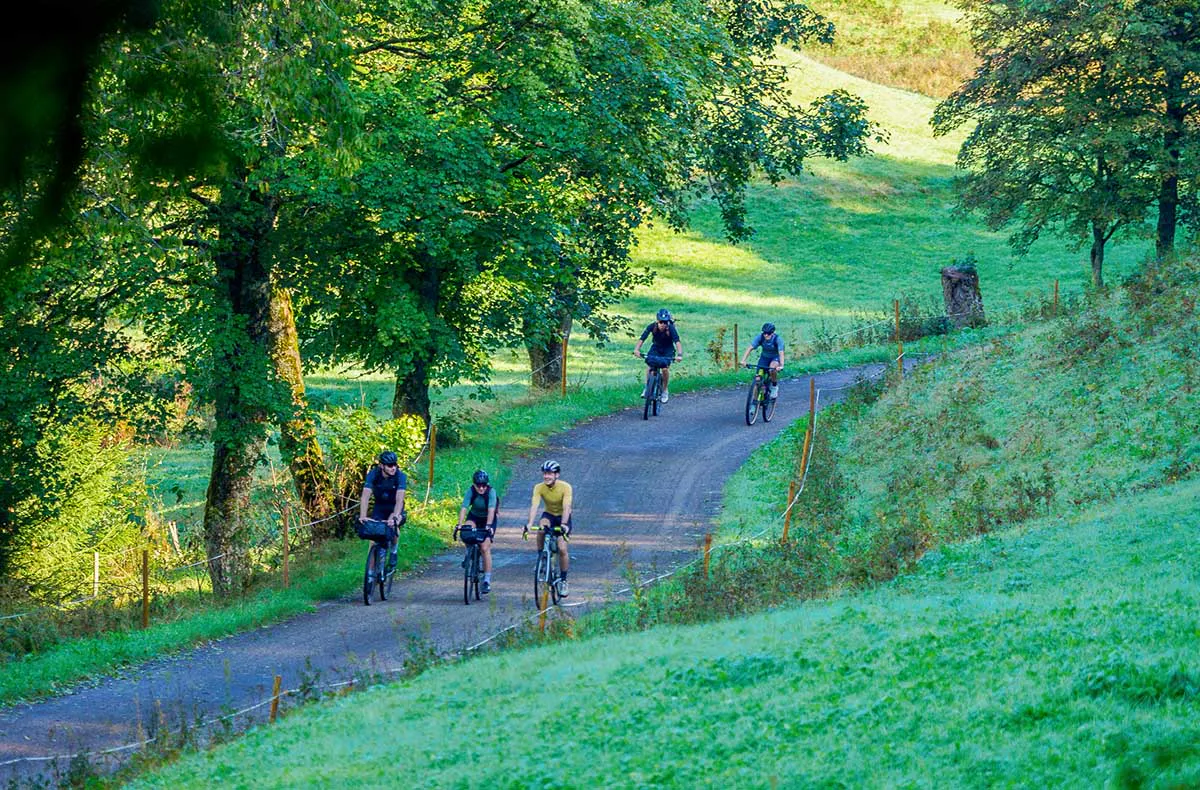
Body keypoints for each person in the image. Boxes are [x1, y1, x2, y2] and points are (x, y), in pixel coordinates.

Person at [523, 459, 573, 598]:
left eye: (550, 473)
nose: (546, 476)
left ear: (557, 475)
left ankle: (563, 580)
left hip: (563, 516)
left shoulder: (566, 487)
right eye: (545, 473)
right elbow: (534, 505)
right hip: (549, 514)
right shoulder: (539, 487)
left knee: (562, 548)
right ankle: (542, 558)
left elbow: (566, 506)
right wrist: (529, 523)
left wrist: (563, 525)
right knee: (541, 528)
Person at [359, 450, 407, 570]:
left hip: (394, 506)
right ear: (381, 466)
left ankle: (394, 551)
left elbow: (400, 499)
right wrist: (362, 516)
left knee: (392, 525)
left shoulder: (400, 476)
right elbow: (365, 496)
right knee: (373, 539)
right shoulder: (373, 475)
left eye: (395, 464)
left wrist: (396, 516)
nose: (393, 468)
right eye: (390, 465)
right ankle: (370, 574)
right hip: (380, 506)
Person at [457, 469, 499, 594]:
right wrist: (459, 524)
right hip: (474, 517)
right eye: (478, 485)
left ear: (487, 484)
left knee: (485, 548)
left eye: (483, 485)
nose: (481, 488)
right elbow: (464, 507)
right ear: (474, 484)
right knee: (466, 530)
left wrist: (489, 526)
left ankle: (486, 580)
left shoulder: (491, 492)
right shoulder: (471, 491)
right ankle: (469, 552)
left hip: (488, 519)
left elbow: (491, 510)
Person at [633, 308, 682, 402]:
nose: (663, 324)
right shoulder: (652, 326)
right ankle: (647, 387)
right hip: (656, 347)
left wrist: (679, 355)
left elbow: (677, 342)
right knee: (649, 365)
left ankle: (664, 390)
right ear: (657, 321)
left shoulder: (671, 328)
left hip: (668, 349)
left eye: (665, 322)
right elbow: (642, 338)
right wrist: (636, 349)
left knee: (664, 368)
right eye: (661, 322)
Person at [740, 321, 785, 399]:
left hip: (775, 358)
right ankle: (754, 403)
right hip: (764, 358)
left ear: (772, 333)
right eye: (764, 333)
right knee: (757, 379)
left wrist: (781, 365)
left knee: (772, 369)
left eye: (768, 333)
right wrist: (743, 360)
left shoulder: (778, 339)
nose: (766, 335)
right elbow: (750, 348)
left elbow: (781, 353)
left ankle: (774, 386)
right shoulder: (760, 337)